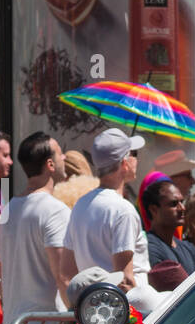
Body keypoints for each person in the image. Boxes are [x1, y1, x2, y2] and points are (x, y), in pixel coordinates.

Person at [62, 127, 163, 314]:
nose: (136, 160)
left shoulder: (80, 206)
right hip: (125, 316)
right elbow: (125, 280)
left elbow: (67, 271)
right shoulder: (123, 210)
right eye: (133, 154)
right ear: (124, 163)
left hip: (95, 312)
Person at [0, 132, 71, 324]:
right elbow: (63, 276)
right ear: (50, 165)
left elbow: (2, 274)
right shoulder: (55, 210)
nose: (65, 157)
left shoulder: (8, 211)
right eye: (60, 153)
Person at [141, 177, 195, 274]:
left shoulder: (189, 248)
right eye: (174, 204)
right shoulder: (148, 248)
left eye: (182, 202)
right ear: (154, 210)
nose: (182, 208)